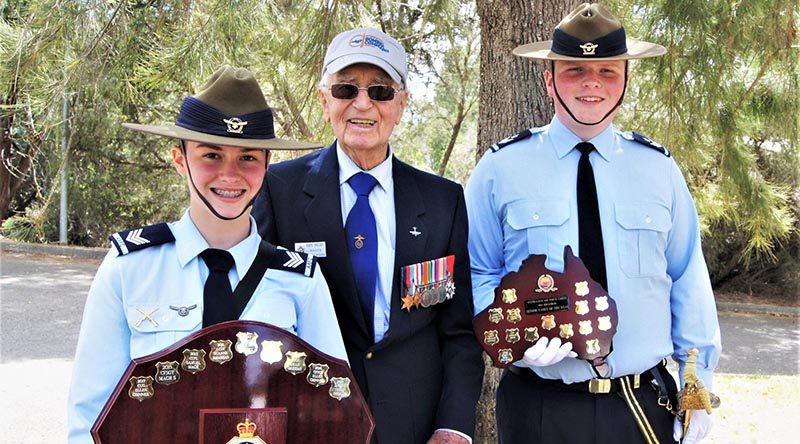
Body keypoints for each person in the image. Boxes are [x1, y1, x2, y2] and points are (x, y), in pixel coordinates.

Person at [465, 4, 721, 444]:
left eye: (607, 70)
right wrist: (515, 332)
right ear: (548, 80)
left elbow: (687, 279)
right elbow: (474, 271)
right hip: (538, 404)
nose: (591, 82)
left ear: (625, 81)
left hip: (639, 406)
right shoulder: (500, 168)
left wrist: (697, 385)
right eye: (574, 70)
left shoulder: (658, 169)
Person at [67, 66, 347, 443]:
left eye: (248, 157)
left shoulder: (300, 281)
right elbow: (90, 414)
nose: (230, 175)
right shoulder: (130, 268)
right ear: (179, 159)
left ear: (266, 166)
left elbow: (333, 408)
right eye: (211, 155)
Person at [252, 27, 484, 444]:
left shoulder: (443, 200)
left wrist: (452, 429)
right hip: (312, 421)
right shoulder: (279, 190)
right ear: (325, 102)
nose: (363, 104)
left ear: (401, 104)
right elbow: (258, 321)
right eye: (346, 89)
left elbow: (458, 334)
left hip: (416, 427)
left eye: (380, 91)